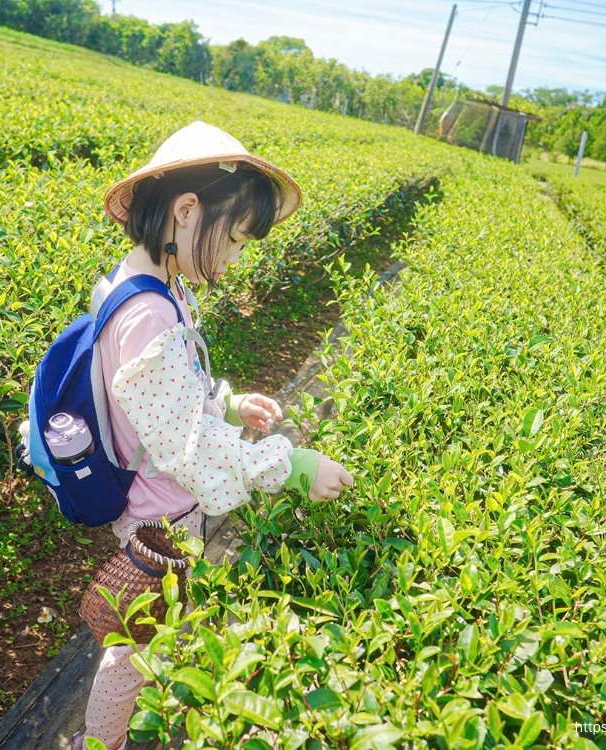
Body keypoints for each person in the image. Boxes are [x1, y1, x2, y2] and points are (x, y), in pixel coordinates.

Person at [72, 121, 355, 750]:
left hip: (160, 494)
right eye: (231, 239)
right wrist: (295, 464)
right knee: (131, 649)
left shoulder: (143, 285)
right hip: (160, 512)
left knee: (154, 632)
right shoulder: (148, 313)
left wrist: (225, 406)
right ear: (186, 210)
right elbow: (185, 447)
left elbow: (166, 402)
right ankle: (102, 743)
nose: (232, 259)